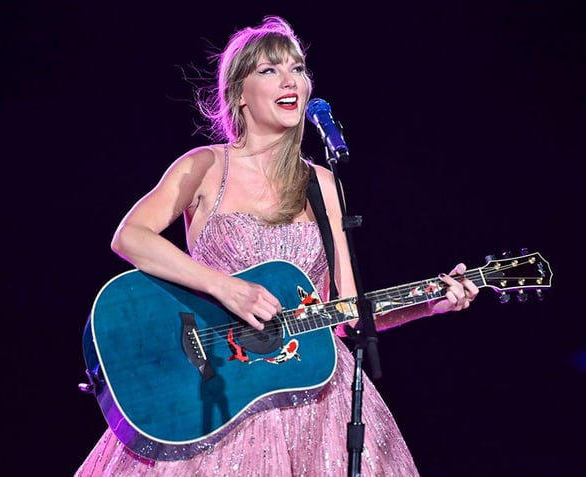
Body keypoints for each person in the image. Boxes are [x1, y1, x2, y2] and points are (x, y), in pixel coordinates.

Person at [76, 15, 479, 477]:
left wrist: (429, 304)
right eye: (270, 70)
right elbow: (131, 237)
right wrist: (227, 289)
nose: (291, 80)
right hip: (218, 392)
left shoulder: (322, 183)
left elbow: (343, 312)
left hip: (315, 398)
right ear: (238, 94)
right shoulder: (207, 166)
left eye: (298, 68)